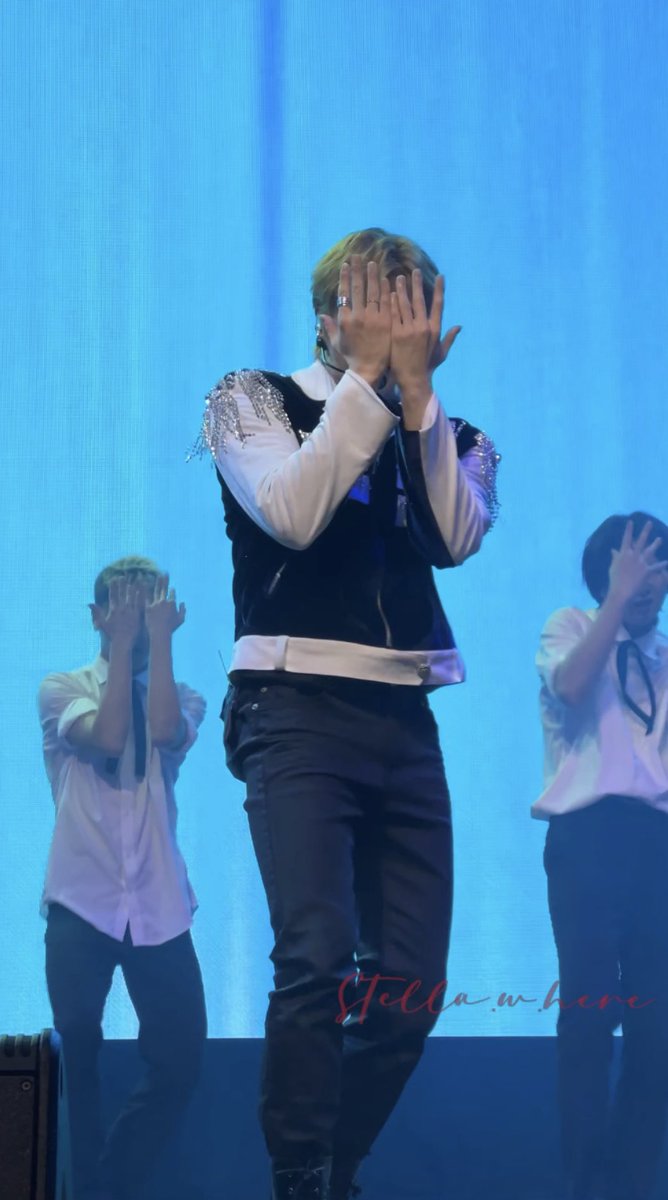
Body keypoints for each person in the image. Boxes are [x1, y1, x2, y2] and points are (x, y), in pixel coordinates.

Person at [194, 227, 499, 1200]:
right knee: (315, 953)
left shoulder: (453, 435)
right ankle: (299, 1170)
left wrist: (415, 400)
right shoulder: (248, 399)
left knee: (410, 989)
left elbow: (453, 538)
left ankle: (338, 1165)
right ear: (329, 315)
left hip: (404, 715)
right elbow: (290, 512)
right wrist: (366, 385)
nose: (396, 327)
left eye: (412, 311)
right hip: (293, 706)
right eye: (376, 307)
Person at [38, 557, 207, 1200]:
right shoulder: (63, 688)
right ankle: (81, 1186)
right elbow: (109, 737)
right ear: (98, 617)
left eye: (147, 603)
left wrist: (155, 642)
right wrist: (125, 640)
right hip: (81, 899)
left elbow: (161, 731)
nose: (134, 615)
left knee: (181, 1056)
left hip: (159, 903)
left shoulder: (181, 695)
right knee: (78, 1047)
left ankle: (110, 1184)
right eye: (122, 605)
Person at [534, 514, 668, 1200]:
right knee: (590, 1014)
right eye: (630, 566)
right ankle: (584, 1180)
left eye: (656, 567)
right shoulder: (569, 627)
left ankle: (634, 1178)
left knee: (657, 1026)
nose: (645, 581)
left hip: (657, 845)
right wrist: (616, 600)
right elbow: (572, 688)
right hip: (586, 841)